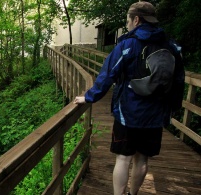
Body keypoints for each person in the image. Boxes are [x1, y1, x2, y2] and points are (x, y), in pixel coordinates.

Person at [73, 1, 185, 195]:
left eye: (127, 20)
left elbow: (107, 75)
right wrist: (172, 108)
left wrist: (88, 97)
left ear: (136, 19)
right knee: (142, 160)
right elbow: (178, 80)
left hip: (128, 113)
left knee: (123, 159)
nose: (127, 25)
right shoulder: (171, 46)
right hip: (155, 115)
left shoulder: (128, 45)